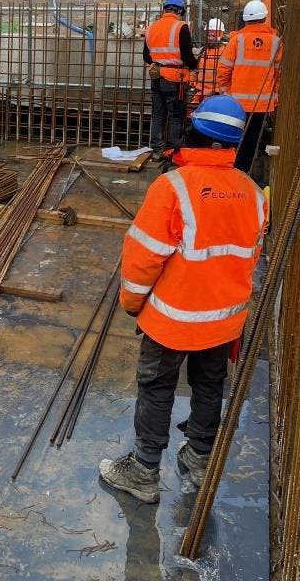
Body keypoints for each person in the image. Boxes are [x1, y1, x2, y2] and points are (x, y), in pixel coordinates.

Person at [99, 94, 268, 503]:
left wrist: (132, 303)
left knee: (157, 386)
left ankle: (143, 471)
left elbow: (141, 259)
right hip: (224, 319)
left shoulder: (173, 187)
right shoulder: (252, 191)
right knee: (210, 384)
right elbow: (250, 256)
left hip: (171, 320)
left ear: (194, 131)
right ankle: (200, 455)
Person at [217, 0, 281, 177]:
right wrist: (274, 97)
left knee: (234, 138)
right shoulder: (276, 42)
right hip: (261, 104)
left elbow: (223, 68)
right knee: (253, 140)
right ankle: (245, 173)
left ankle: (230, 170)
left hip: (237, 103)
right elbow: (278, 73)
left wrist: (224, 92)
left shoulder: (237, 40)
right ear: (265, 18)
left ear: (245, 19)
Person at [144, 0, 198, 161]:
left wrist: (160, 62)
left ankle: (156, 151)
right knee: (175, 116)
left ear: (164, 9)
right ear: (180, 10)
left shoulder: (151, 27)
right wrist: (195, 65)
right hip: (175, 80)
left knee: (158, 115)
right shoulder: (181, 27)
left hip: (156, 77)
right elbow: (187, 56)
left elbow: (146, 56)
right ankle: (173, 151)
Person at [187, 18, 226, 109]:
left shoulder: (225, 52)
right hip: (200, 93)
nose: (210, 38)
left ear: (220, 35)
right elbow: (195, 70)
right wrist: (190, 82)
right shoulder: (202, 51)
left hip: (217, 94)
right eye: (209, 35)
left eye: (213, 36)